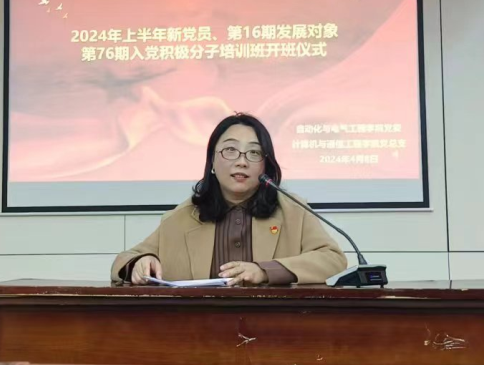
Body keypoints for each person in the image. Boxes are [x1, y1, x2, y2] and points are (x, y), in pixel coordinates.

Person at [111, 113, 347, 285]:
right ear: (212, 162)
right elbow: (124, 260)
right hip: (198, 331)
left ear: (265, 165)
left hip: (275, 328)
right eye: (230, 150)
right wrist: (141, 262)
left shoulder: (293, 211)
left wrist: (265, 271)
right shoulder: (181, 218)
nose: (241, 161)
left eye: (254, 152)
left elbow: (333, 259)